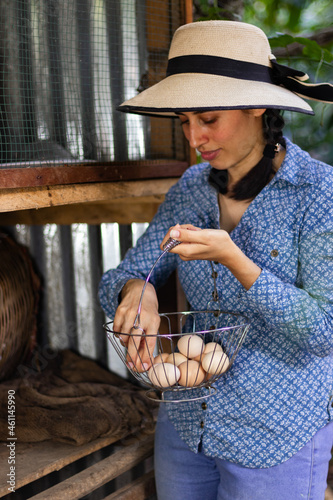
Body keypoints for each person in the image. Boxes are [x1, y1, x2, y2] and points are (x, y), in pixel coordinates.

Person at [99, 20, 333, 500]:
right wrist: (136, 292)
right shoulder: (191, 188)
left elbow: (323, 332)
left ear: (257, 106)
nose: (195, 139)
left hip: (277, 430)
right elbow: (126, 273)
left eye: (207, 118)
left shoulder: (318, 193)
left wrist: (236, 260)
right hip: (187, 420)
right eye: (184, 122)